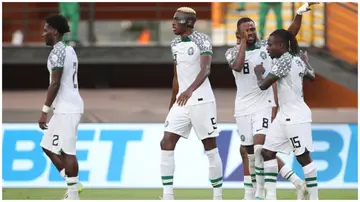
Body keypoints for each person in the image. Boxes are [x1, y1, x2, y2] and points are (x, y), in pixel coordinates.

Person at [224, 2, 317, 200]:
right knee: (250, 152)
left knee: (260, 148)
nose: (251, 31)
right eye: (246, 30)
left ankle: (264, 195)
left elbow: (288, 34)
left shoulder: (267, 47)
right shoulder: (231, 52)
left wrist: (299, 14)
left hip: (264, 104)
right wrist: (242, 42)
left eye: (252, 28)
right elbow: (238, 66)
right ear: (238, 34)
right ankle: (266, 190)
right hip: (242, 107)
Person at [160, 7, 223, 200]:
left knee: (210, 149)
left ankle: (218, 196)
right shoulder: (174, 43)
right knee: (166, 142)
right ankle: (168, 195)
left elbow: (205, 70)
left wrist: (190, 90)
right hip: (182, 102)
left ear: (188, 22)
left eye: (177, 20)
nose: (173, 23)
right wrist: (172, 103)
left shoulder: (202, 40)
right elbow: (176, 75)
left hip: (202, 101)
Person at [254, 28, 317, 200]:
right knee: (267, 152)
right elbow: (311, 76)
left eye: (270, 45)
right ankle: (271, 197)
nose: (267, 48)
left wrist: (259, 73)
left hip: (296, 117)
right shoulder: (297, 59)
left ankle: (314, 197)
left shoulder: (283, 60)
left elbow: (264, 85)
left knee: (303, 157)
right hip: (284, 116)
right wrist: (306, 62)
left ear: (281, 46)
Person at [38, 14, 84, 200]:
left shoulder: (57, 52)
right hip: (67, 106)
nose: (43, 34)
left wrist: (44, 111)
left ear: (54, 31)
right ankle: (73, 183)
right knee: (47, 146)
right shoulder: (69, 50)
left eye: (46, 29)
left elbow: (55, 84)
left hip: (67, 108)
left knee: (67, 151)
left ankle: (73, 194)